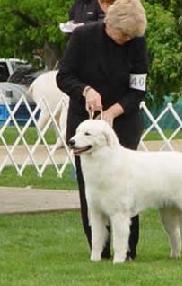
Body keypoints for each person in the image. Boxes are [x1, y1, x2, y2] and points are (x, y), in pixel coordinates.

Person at [57, 0, 148, 260]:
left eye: (131, 36)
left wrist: (113, 112)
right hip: (84, 122)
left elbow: (138, 89)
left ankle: (127, 249)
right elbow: (63, 76)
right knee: (91, 187)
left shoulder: (136, 41)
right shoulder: (82, 36)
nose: (127, 39)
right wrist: (85, 90)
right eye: (123, 34)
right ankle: (99, 250)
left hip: (123, 121)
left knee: (126, 189)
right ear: (109, 23)